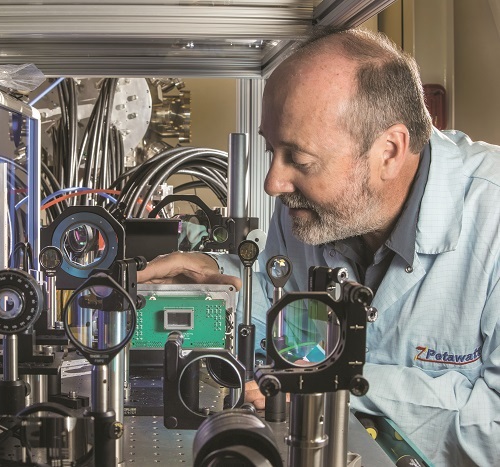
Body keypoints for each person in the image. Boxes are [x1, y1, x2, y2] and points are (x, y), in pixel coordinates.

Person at [137, 26, 500, 467]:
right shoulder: (310, 209)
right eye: (271, 149)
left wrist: (339, 385)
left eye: (300, 160)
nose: (274, 183)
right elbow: (283, 310)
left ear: (388, 150)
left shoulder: (491, 220)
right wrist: (218, 286)